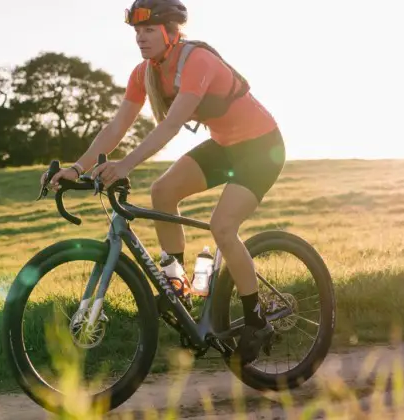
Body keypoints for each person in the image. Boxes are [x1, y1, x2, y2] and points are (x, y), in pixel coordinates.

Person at [44, 0, 286, 365]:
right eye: (136, 32)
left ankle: (256, 319)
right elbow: (116, 126)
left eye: (148, 30)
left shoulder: (197, 61)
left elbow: (171, 125)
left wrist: (126, 164)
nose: (140, 38)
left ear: (171, 32)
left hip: (261, 147)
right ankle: (178, 285)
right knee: (162, 191)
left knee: (222, 226)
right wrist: (78, 168)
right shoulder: (144, 73)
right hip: (223, 146)